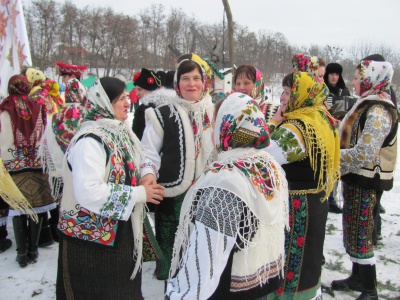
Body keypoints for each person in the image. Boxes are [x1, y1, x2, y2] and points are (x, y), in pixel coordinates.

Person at [167, 93, 289, 299]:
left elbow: (207, 255)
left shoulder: (225, 180)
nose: (210, 128)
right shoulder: (267, 163)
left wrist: (181, 294)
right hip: (261, 277)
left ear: (227, 126)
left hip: (229, 285)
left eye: (214, 121)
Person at [56, 77, 165, 299]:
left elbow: (139, 159)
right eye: (121, 98)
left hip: (118, 234)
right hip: (90, 242)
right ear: (103, 102)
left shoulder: (119, 132)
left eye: (127, 97)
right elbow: (88, 191)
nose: (128, 103)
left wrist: (146, 175)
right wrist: (139, 193)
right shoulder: (90, 141)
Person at [265, 72, 340, 299]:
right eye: (283, 91)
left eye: (288, 92)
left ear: (302, 94)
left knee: (294, 262)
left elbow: (263, 154)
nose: (283, 97)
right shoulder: (320, 117)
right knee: (310, 258)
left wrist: (272, 122)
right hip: (315, 202)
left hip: (298, 209)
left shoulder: (296, 129)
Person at [140, 58, 214, 280]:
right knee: (173, 250)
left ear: (204, 83)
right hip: (174, 195)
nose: (192, 84)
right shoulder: (163, 114)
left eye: (196, 78)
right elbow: (149, 152)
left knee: (203, 251)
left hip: (209, 193)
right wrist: (148, 174)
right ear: (177, 84)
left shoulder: (216, 112)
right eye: (185, 79)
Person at [331, 60, 398, 300]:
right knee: (352, 228)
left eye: (358, 77)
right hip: (357, 177)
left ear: (371, 78)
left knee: (361, 232)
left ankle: (370, 289)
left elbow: (365, 152)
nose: (354, 82)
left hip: (368, 179)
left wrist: (332, 156)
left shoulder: (379, 110)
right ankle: (357, 276)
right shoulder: (368, 103)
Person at [0, 74, 55, 267]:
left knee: (17, 208)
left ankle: (21, 253)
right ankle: (33, 249)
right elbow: (45, 135)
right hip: (36, 163)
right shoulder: (38, 106)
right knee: (36, 206)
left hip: (11, 165)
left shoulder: (4, 109)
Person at [40, 78, 88, 243]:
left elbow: (46, 144)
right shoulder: (87, 116)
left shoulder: (55, 117)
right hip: (84, 172)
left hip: (61, 173)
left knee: (65, 204)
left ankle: (65, 234)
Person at [323, 62, 351, 214]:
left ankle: (333, 198)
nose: (334, 76)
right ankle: (327, 196)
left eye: (336, 74)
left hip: (340, 133)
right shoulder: (324, 90)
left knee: (337, 166)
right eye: (331, 74)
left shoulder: (344, 91)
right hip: (327, 131)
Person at [131, 68, 162, 139]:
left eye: (139, 89)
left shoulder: (142, 110)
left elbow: (137, 137)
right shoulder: (166, 105)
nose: (137, 93)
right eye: (136, 89)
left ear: (150, 90)